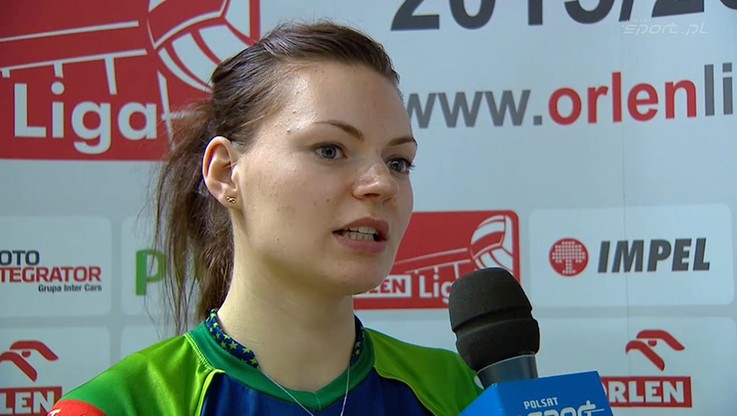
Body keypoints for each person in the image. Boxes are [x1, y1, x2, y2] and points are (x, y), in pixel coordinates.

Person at [48, 21, 481, 415]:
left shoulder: (455, 392)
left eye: (398, 162)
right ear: (225, 173)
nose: (381, 184)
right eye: (330, 150)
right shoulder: (120, 406)